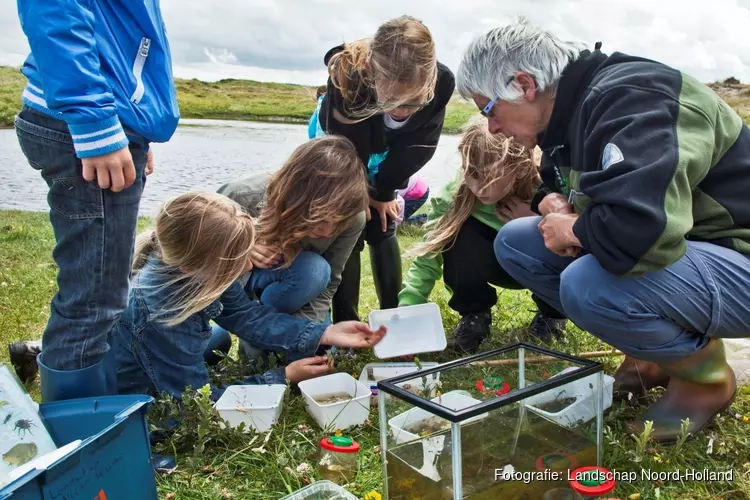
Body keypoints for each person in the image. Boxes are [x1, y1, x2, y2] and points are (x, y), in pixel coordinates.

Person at [457, 19, 750, 443]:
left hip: (738, 257)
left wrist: (575, 228)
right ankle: (652, 357)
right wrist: (550, 203)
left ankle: (705, 378)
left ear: (523, 84)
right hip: (694, 256)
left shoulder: (635, 100)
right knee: (518, 241)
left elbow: (642, 233)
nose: (492, 127)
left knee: (588, 282)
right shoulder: (570, 115)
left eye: (489, 110)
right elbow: (557, 185)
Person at [11, 0, 180, 401]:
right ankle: (82, 448)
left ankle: (101, 418)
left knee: (105, 293)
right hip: (88, 119)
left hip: (116, 117)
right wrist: (96, 122)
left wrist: (138, 126)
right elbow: (54, 10)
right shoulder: (92, 121)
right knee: (92, 300)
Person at [113, 191, 385, 402]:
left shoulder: (194, 269)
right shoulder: (163, 314)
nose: (247, 267)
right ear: (192, 266)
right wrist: (282, 376)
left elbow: (245, 314)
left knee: (217, 339)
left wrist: (324, 333)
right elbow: (192, 402)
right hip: (132, 390)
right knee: (204, 351)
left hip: (159, 344)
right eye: (236, 260)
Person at [309, 15, 456, 322]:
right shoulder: (348, 76)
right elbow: (346, 150)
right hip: (338, 146)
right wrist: (360, 193)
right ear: (370, 72)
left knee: (383, 218)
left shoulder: (443, 82)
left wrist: (385, 191)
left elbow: (419, 146)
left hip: (388, 147)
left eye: (413, 102)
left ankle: (394, 314)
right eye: (391, 100)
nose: (401, 111)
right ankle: (346, 320)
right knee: (350, 219)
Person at [399, 123, 566, 352]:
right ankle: (475, 316)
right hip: (492, 265)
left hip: (534, 268)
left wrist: (538, 221)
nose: (479, 187)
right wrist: (409, 305)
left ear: (517, 168)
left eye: (489, 178)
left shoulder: (548, 189)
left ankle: (552, 315)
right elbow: (429, 255)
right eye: (471, 175)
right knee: (457, 231)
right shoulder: (453, 196)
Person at [214, 136, 368, 360]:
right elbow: (202, 263)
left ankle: (274, 334)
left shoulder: (354, 218)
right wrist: (244, 246)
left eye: (337, 222)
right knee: (313, 270)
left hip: (299, 286)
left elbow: (329, 283)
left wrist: (311, 334)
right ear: (296, 197)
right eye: (320, 219)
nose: (327, 232)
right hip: (242, 289)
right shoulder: (239, 196)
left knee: (317, 350)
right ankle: (254, 338)